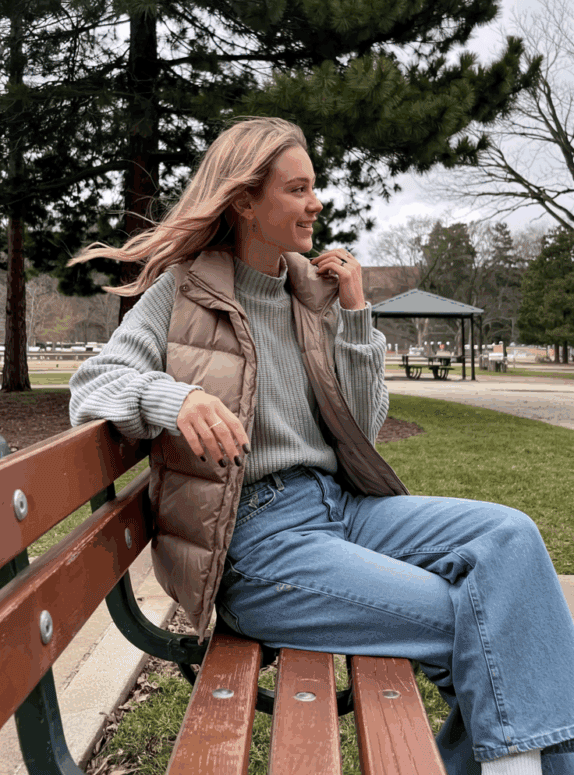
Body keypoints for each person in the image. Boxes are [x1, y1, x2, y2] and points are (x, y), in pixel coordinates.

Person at [68, 116, 574, 775]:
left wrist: (357, 317)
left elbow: (359, 427)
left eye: (315, 187)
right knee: (482, 617)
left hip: (343, 509)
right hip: (257, 541)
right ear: (246, 202)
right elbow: (93, 385)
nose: (317, 203)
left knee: (510, 537)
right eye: (298, 189)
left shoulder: (311, 295)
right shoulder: (184, 289)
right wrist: (176, 399)